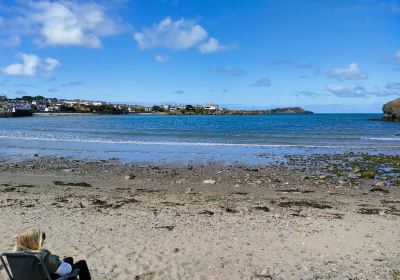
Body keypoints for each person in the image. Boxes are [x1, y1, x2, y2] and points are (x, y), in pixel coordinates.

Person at [14, 226, 91, 280]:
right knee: (82, 263)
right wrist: (57, 261)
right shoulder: (42, 256)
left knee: (69, 259)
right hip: (46, 276)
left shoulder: (15, 256)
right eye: (41, 242)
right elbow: (67, 270)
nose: (42, 243)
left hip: (32, 275)